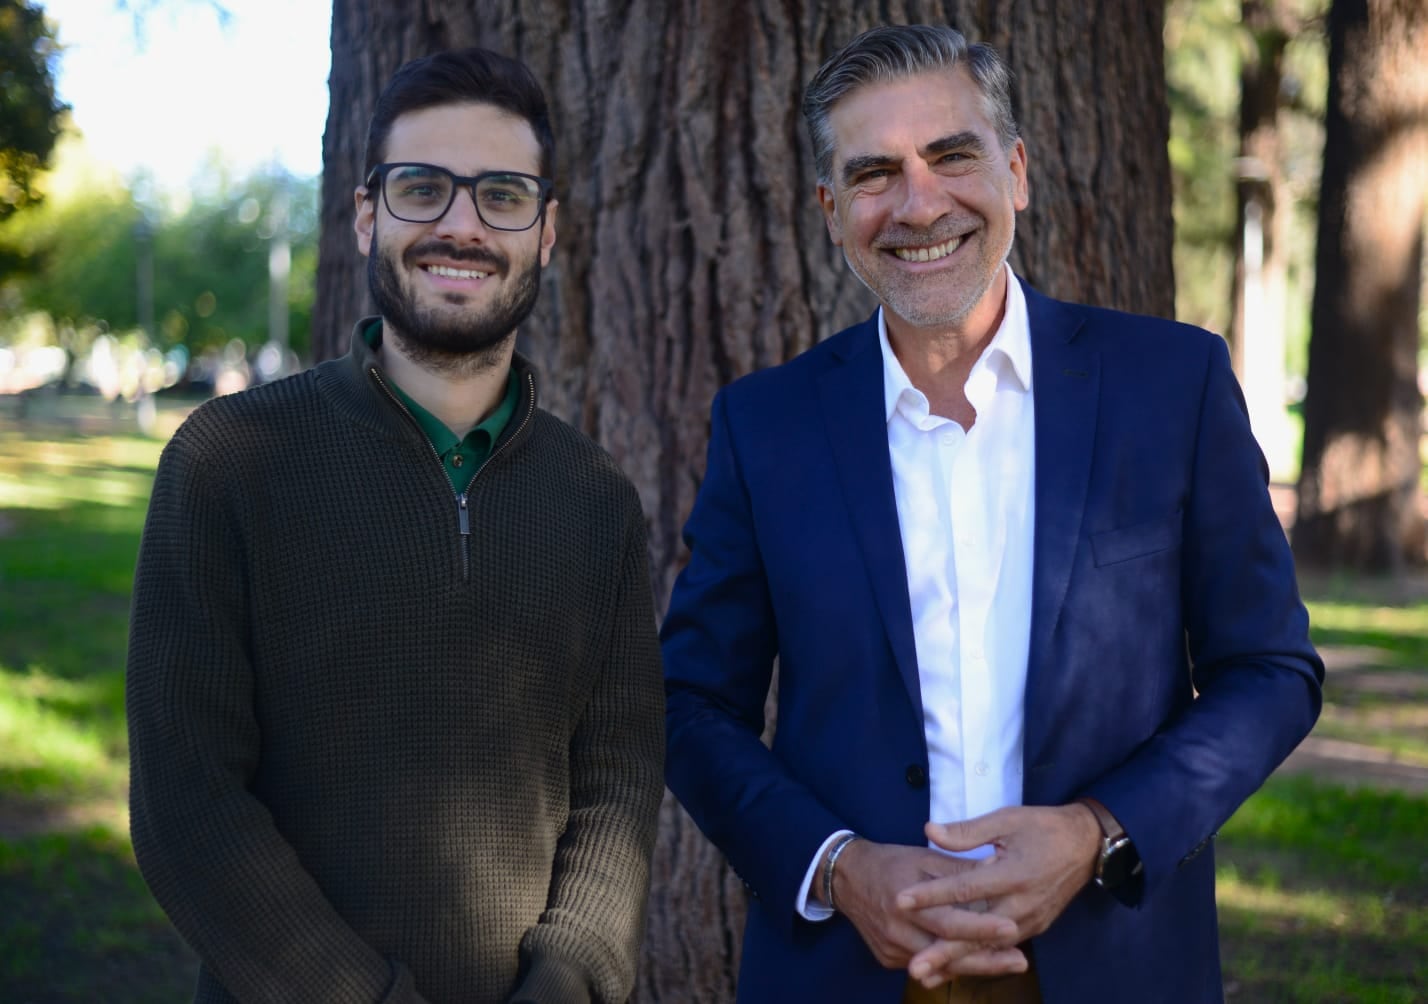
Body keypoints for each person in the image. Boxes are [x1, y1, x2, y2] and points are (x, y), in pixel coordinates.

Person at [662, 23, 1323, 1004]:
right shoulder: (768, 425)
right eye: (875, 171)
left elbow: (1270, 668)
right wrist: (838, 866)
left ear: (1014, 171)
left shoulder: (1170, 385)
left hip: (1116, 960)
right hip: (849, 969)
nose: (919, 202)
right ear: (831, 207)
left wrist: (1100, 829)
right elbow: (691, 702)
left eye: (952, 155)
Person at [127, 48, 664, 1004]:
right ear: (368, 213)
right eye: (424, 188)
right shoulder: (226, 462)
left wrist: (569, 982)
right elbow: (187, 804)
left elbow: (616, 785)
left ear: (548, 232)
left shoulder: (599, 500)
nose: (461, 225)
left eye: (502, 195)